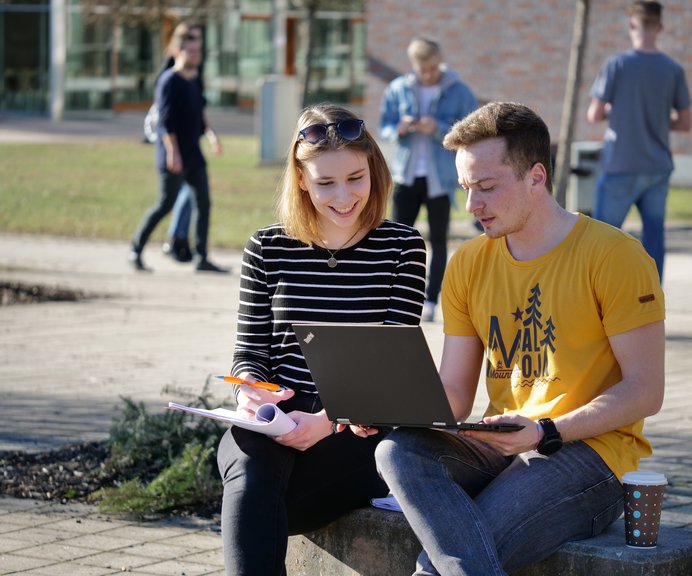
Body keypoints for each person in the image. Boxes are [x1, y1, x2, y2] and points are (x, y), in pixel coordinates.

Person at [373, 102, 666, 575]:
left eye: (487, 187)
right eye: (466, 188)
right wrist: (389, 412)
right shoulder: (468, 264)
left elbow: (645, 391)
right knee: (398, 451)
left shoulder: (615, 257)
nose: (472, 205)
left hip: (593, 455)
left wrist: (547, 431)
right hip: (501, 442)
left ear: (536, 176)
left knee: (445, 560)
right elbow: (454, 396)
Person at [216, 104, 427, 576]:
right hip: (274, 422)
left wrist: (329, 420)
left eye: (356, 177)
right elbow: (250, 351)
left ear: (374, 169)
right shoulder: (267, 247)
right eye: (325, 182)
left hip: (358, 430)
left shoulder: (403, 247)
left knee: (257, 507)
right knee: (250, 468)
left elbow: (391, 364)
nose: (344, 196)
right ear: (301, 179)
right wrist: (250, 392)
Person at [587, 1, 692, 281]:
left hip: (621, 164)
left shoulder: (617, 64)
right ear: (660, 27)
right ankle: (651, 303)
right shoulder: (673, 69)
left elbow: (594, 114)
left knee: (602, 237)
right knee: (654, 238)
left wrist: (620, 112)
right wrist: (656, 118)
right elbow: (685, 122)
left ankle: (596, 298)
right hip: (657, 166)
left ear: (632, 24)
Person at [380, 36, 477, 322]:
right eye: (423, 69)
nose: (429, 74)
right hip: (406, 175)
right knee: (397, 241)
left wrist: (437, 129)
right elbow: (384, 126)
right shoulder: (398, 89)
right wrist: (399, 129)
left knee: (438, 240)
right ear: (414, 66)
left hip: (440, 178)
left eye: (434, 68)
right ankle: (393, 297)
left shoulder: (458, 91)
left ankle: (432, 300)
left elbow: (471, 130)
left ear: (440, 61)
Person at [129, 22, 226, 273]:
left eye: (198, 52)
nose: (196, 56)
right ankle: (135, 249)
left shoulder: (195, 79)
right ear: (179, 52)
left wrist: (213, 137)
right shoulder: (168, 81)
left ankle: (201, 257)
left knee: (203, 204)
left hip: (193, 154)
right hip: (173, 155)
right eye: (191, 51)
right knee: (165, 204)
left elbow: (201, 111)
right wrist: (173, 152)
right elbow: (165, 122)